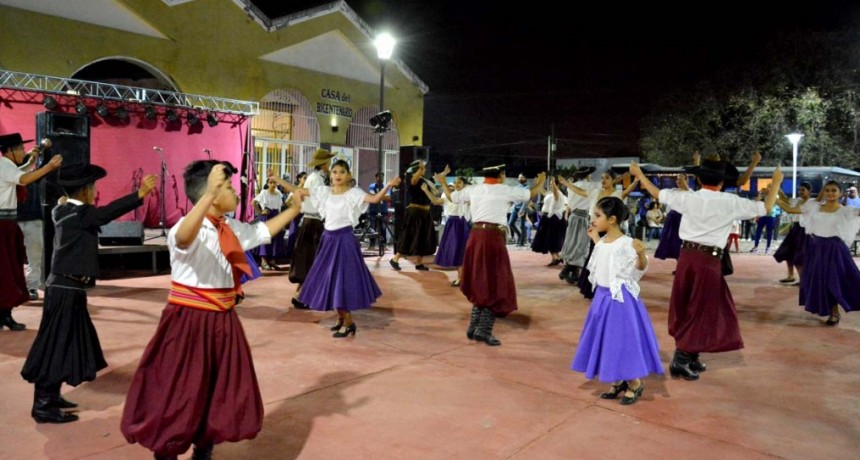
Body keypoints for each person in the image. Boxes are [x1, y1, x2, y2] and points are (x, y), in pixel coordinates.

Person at [120, 160, 305, 459]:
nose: (235, 192)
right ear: (212, 193)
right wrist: (209, 194)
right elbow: (182, 239)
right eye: (229, 187)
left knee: (216, 387)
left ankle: (203, 446)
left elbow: (261, 231)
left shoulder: (228, 227)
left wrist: (294, 210)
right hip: (188, 322)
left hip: (222, 320)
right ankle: (167, 449)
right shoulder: (187, 226)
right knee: (180, 389)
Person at [21, 164, 156, 424]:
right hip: (65, 290)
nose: (95, 192)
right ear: (83, 190)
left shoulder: (62, 209)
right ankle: (43, 405)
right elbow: (106, 213)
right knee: (56, 344)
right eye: (92, 188)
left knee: (65, 342)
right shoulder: (79, 214)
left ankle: (52, 395)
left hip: (65, 287)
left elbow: (74, 206)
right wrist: (139, 194)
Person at [630, 159, 782, 381]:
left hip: (687, 258)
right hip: (708, 261)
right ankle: (681, 358)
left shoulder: (687, 197)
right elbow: (766, 208)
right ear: (722, 181)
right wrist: (776, 182)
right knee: (702, 308)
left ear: (699, 179)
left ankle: (690, 354)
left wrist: (638, 173)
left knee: (690, 305)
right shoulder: (730, 201)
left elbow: (656, 193)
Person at [437, 164, 546, 346]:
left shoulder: (473, 189)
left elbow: (451, 197)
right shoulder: (504, 190)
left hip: (475, 236)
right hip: (493, 237)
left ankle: (474, 327)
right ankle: (483, 330)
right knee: (493, 281)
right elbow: (530, 193)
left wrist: (442, 181)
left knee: (480, 279)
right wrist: (541, 180)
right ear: (501, 175)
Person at [570, 196, 662, 405]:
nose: (593, 219)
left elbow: (638, 269)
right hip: (602, 297)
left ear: (612, 220)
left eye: (597, 216)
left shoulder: (627, 243)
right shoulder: (603, 241)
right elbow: (604, 257)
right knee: (607, 341)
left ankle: (635, 383)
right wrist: (594, 238)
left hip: (620, 300)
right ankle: (619, 380)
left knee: (622, 341)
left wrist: (641, 255)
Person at [297, 160, 400, 337]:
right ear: (330, 174)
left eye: (342, 172)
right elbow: (298, 190)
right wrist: (277, 179)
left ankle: (349, 322)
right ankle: (340, 318)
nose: (337, 175)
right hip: (328, 240)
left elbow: (375, 199)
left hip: (344, 240)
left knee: (341, 280)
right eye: (335, 171)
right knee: (328, 279)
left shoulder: (353, 193)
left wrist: (389, 186)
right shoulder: (324, 192)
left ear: (348, 175)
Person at [0, 133, 62, 330]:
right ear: (10, 150)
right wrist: (48, 167)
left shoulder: (7, 166)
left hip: (8, 224)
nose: (22, 152)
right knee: (6, 271)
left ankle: (4, 315)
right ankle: (4, 315)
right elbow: (24, 179)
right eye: (19, 149)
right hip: (3, 225)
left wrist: (31, 161)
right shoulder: (4, 165)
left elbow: (21, 172)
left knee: (9, 271)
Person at [781, 181, 860, 326]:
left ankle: (834, 312)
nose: (830, 193)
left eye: (834, 190)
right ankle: (831, 310)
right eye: (827, 190)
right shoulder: (814, 207)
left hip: (835, 250)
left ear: (840, 193)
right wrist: (773, 196)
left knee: (834, 281)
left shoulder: (846, 210)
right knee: (820, 281)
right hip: (815, 248)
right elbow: (791, 210)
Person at [564, 170, 638, 299]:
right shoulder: (595, 193)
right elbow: (579, 191)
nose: (603, 181)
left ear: (613, 180)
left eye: (607, 178)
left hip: (611, 231)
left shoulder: (617, 194)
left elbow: (628, 190)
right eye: (602, 178)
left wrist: (637, 179)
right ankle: (591, 288)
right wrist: (565, 183)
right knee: (595, 257)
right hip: (596, 229)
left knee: (610, 258)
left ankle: (611, 286)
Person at [285, 148, 334, 308]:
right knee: (312, 260)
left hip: (310, 222)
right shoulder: (317, 180)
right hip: (313, 223)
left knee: (310, 260)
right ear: (324, 164)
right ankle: (300, 296)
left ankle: (301, 295)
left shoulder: (315, 178)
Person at [422, 169, 470, 286]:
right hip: (452, 224)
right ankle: (461, 278)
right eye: (455, 183)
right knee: (457, 252)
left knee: (462, 252)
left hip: (461, 224)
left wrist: (442, 179)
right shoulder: (448, 197)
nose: (456, 185)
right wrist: (426, 190)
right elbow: (435, 201)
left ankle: (463, 279)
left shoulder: (466, 195)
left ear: (464, 185)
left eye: (459, 183)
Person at [390, 160, 437, 271]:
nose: (425, 170)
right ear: (418, 170)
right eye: (422, 169)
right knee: (409, 236)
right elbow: (414, 180)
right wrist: (419, 168)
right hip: (415, 212)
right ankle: (395, 259)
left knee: (424, 238)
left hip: (425, 213)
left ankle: (419, 263)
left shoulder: (425, 180)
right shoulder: (412, 179)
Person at [556, 167, 598, 284]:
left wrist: (567, 214)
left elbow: (569, 204)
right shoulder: (590, 186)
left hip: (573, 216)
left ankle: (572, 272)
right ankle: (569, 270)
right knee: (581, 245)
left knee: (573, 242)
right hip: (583, 217)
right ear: (588, 175)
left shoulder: (571, 186)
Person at [772, 182, 812, 285]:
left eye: (803, 190)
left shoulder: (812, 203)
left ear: (809, 191)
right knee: (787, 252)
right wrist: (776, 186)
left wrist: (773, 197)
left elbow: (789, 209)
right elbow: (784, 198)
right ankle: (790, 275)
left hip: (805, 231)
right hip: (795, 228)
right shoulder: (797, 200)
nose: (800, 192)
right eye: (799, 190)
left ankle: (803, 280)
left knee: (800, 256)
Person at [252, 177, 288, 270]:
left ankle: (272, 260)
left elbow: (280, 207)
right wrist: (260, 212)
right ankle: (263, 261)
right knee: (265, 238)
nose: (273, 184)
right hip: (266, 216)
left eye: (274, 183)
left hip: (276, 216)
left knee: (275, 238)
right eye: (271, 182)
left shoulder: (279, 194)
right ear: (268, 184)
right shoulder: (264, 193)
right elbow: (253, 202)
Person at [530, 177, 567, 266]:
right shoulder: (549, 194)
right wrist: (539, 181)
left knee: (551, 239)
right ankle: (557, 257)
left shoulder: (558, 193)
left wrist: (554, 183)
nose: (550, 185)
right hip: (547, 218)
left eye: (552, 184)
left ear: (557, 185)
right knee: (548, 238)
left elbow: (555, 192)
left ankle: (556, 257)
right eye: (550, 184)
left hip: (553, 218)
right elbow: (541, 190)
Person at [750, 186, 779, 254]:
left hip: (771, 216)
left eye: (769, 188)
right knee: (758, 231)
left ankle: (768, 248)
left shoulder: (775, 195)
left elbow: (772, 204)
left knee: (769, 232)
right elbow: (757, 201)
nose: (767, 189)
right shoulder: (764, 195)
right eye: (766, 188)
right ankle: (756, 247)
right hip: (762, 215)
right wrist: (760, 192)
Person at [368, 172, 393, 245]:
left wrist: (378, 196)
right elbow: (372, 195)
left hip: (383, 210)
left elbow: (388, 198)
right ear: (376, 178)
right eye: (379, 177)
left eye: (382, 177)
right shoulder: (372, 186)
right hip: (373, 210)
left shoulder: (386, 186)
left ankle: (383, 243)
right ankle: (372, 244)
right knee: (372, 227)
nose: (380, 178)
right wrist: (382, 196)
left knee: (383, 227)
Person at [507, 173, 530, 245]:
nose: (520, 178)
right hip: (515, 208)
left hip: (522, 208)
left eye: (522, 177)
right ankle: (520, 236)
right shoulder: (517, 187)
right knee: (510, 223)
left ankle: (522, 242)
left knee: (522, 225)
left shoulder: (527, 188)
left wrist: (522, 209)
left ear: (525, 179)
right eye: (519, 177)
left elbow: (526, 200)